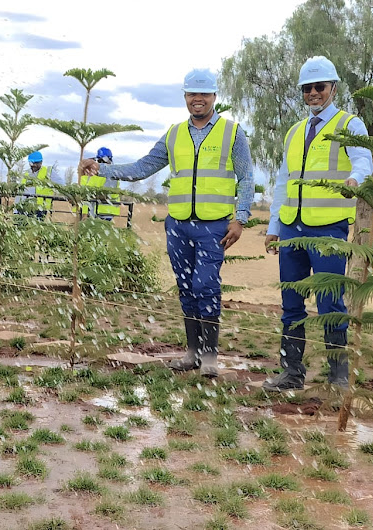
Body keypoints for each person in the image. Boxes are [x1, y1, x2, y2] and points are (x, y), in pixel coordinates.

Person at [79, 68, 254, 378]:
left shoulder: (232, 132)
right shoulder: (174, 134)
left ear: (214, 97)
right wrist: (102, 169)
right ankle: (192, 353)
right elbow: (143, 167)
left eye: (204, 94)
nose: (197, 99)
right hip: (178, 225)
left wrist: (240, 219)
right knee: (186, 287)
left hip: (214, 226)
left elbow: (246, 176)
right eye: (192, 94)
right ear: (185, 97)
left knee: (205, 285)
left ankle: (210, 355)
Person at [262, 56, 373, 392]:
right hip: (291, 228)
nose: (313, 93)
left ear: (333, 89)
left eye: (319, 87)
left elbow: (363, 160)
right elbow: (284, 181)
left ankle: (338, 377)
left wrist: (355, 180)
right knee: (291, 302)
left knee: (330, 303)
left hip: (328, 229)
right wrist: (273, 225)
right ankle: (291, 373)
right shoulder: (295, 132)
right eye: (307, 88)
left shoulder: (350, 124)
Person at [80, 147, 121, 222]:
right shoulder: (94, 173)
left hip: (105, 212)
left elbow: (106, 194)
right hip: (93, 211)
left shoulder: (111, 173)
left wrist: (89, 196)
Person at [19, 151, 59, 220]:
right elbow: (20, 192)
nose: (34, 165)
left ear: (41, 162)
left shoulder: (49, 172)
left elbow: (62, 186)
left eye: (36, 163)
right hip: (24, 207)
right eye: (31, 163)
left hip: (40, 209)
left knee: (35, 229)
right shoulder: (26, 174)